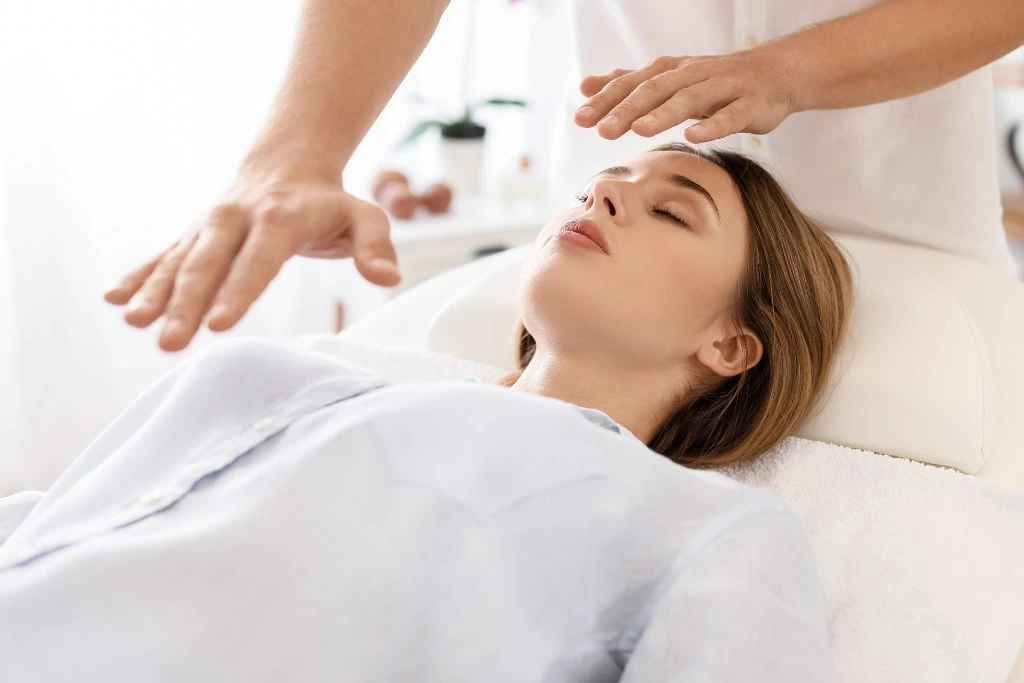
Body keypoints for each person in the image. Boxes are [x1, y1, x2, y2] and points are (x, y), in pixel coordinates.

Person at [0, 145, 851, 681]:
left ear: (733, 345)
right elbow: (46, 532)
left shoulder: (703, 529)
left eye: (671, 209)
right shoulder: (269, 375)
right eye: (602, 183)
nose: (605, 198)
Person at [102, 0, 1023, 353]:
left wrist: (788, 72)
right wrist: (294, 153)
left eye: (665, 202)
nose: (616, 194)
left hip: (905, 229)